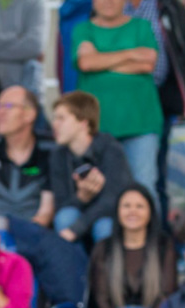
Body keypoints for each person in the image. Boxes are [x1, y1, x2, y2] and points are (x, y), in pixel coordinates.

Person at [71, 0, 161, 201]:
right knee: (101, 191)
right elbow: (86, 63)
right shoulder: (83, 30)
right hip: (97, 128)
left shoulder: (141, 26)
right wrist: (132, 54)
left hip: (141, 124)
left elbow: (147, 64)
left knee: (144, 187)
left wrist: (101, 60)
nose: (109, 2)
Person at [86, 185, 176, 308]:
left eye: (139, 206)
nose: (132, 211)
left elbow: (167, 293)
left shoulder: (163, 246)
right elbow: (101, 297)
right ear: (117, 211)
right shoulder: (104, 248)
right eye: (126, 206)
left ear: (150, 212)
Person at [49, 91, 131, 245]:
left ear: (83, 123)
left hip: (108, 215)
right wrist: (81, 197)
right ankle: (74, 262)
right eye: (54, 118)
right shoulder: (58, 155)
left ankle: (105, 262)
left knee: (104, 227)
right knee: (64, 218)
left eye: (61, 118)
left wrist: (77, 228)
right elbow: (60, 204)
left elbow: (112, 200)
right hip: (78, 216)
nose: (54, 124)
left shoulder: (111, 149)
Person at [0, 86, 53, 227]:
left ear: (29, 114)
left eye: (8, 106)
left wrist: (25, 233)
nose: (0, 112)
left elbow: (46, 213)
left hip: (34, 232)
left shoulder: (49, 151)